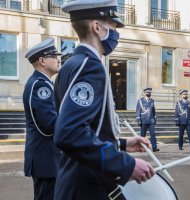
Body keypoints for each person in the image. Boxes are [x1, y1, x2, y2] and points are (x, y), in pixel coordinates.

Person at [53, 1, 155, 199]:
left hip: (74, 181)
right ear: (97, 27)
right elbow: (69, 132)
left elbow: (88, 128)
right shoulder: (90, 66)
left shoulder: (71, 64)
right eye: (112, 26)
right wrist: (126, 164)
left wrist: (122, 144)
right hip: (86, 186)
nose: (116, 33)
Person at [23, 38, 62, 200]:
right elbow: (50, 125)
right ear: (42, 61)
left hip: (47, 157)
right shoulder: (40, 85)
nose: (58, 59)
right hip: (46, 159)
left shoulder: (44, 83)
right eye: (53, 56)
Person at [136, 88, 160, 152]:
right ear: (144, 93)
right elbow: (138, 111)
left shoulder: (152, 101)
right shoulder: (140, 101)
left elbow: (153, 110)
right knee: (142, 135)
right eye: (147, 93)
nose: (149, 94)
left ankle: (154, 147)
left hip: (151, 120)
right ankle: (141, 147)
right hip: (143, 120)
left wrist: (154, 119)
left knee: (153, 134)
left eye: (149, 93)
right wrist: (138, 119)